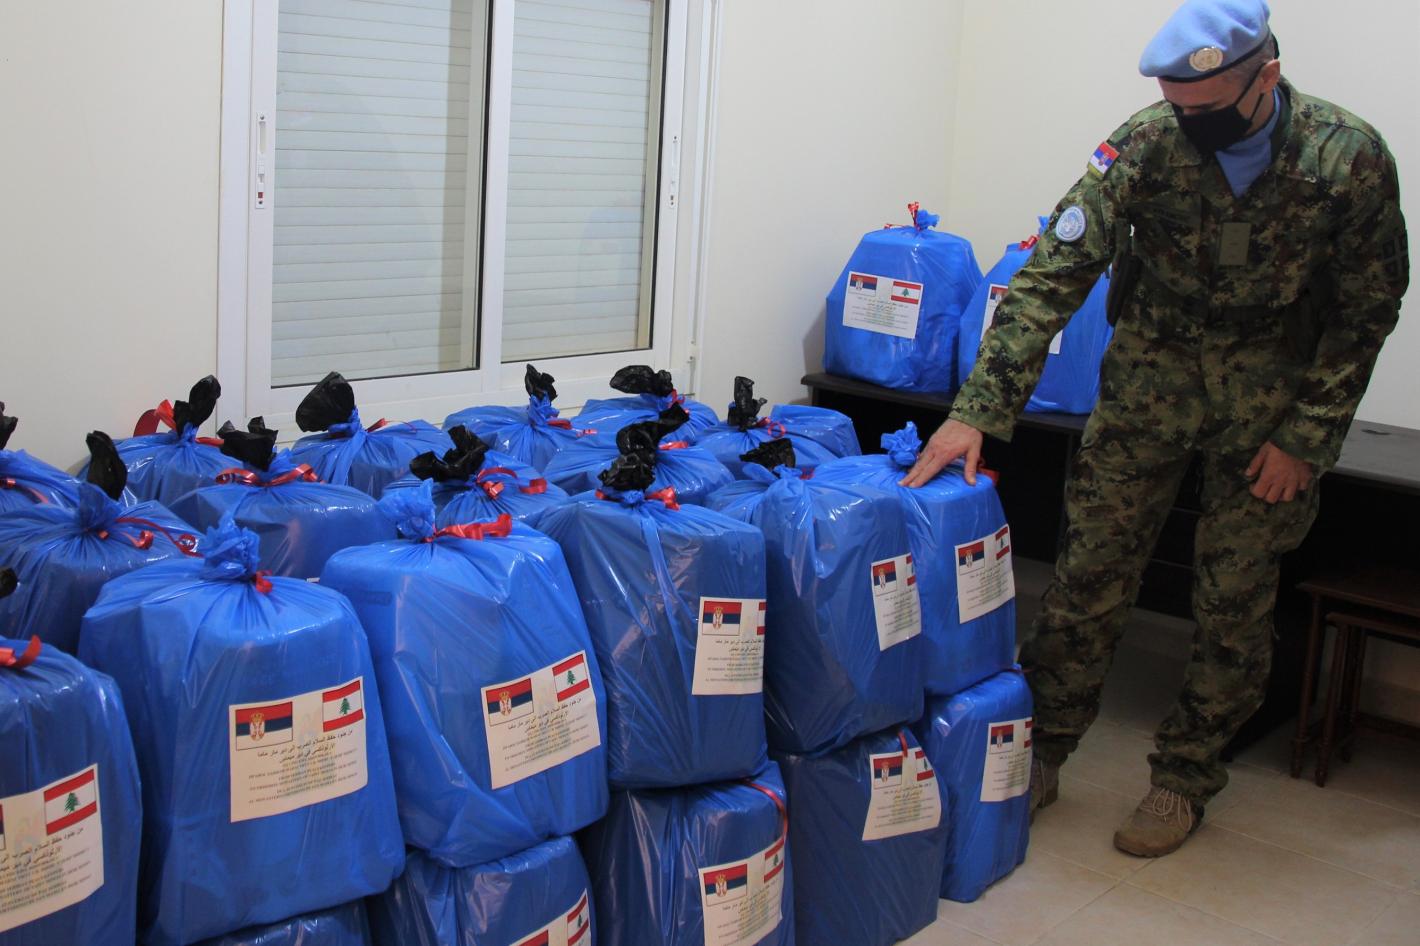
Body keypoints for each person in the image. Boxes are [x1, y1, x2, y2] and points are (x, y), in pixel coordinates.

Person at [901, 0, 1408, 858]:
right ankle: (1042, 751)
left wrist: (1308, 435)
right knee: (1089, 573)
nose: (1187, 123)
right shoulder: (1145, 143)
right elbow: (1051, 276)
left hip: (1271, 397)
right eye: (1176, 105)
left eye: (1205, 109)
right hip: (1150, 378)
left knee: (1234, 599)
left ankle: (1185, 777)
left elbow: (1369, 308)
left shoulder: (1346, 155)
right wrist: (977, 409)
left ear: (1267, 75)